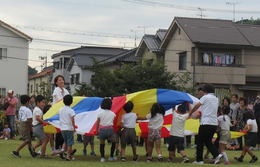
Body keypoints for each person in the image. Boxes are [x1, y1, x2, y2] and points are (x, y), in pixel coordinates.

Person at [189, 84, 223, 164]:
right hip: (213, 123)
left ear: (205, 91)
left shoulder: (205, 97)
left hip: (206, 123)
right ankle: (217, 155)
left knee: (200, 141)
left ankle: (199, 160)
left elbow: (197, 106)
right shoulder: (216, 99)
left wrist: (190, 113)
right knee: (208, 141)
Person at [53, 75, 69, 152]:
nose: (61, 81)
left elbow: (69, 99)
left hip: (65, 113)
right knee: (59, 130)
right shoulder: (56, 90)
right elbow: (60, 101)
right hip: (57, 113)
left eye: (62, 79)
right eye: (59, 80)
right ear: (56, 82)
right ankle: (57, 147)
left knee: (64, 130)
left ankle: (62, 148)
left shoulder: (66, 91)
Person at [96, 98, 116, 162]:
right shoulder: (113, 114)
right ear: (110, 105)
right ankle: (111, 156)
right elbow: (114, 122)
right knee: (113, 142)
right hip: (110, 129)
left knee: (102, 144)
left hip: (102, 130)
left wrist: (97, 131)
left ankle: (102, 157)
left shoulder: (100, 113)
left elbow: (97, 123)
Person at [59, 95, 76, 161]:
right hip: (69, 128)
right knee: (69, 143)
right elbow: (72, 120)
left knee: (65, 142)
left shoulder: (60, 109)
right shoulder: (71, 110)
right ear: (71, 102)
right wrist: (74, 127)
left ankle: (62, 153)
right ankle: (68, 156)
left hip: (62, 129)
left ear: (63, 101)